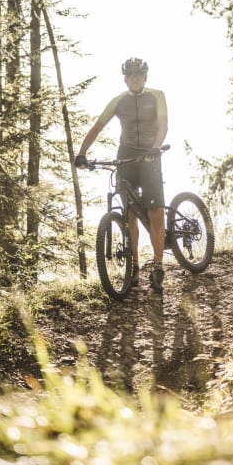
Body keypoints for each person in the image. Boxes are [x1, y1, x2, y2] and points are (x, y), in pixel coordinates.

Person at [74, 58, 169, 292]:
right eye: (131, 76)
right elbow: (97, 127)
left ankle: (158, 266)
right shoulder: (117, 102)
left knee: (155, 211)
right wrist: (82, 153)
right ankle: (134, 265)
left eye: (139, 75)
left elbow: (163, 126)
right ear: (125, 79)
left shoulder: (157, 95)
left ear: (145, 77)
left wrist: (155, 148)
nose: (135, 79)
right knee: (129, 214)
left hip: (150, 155)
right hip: (126, 155)